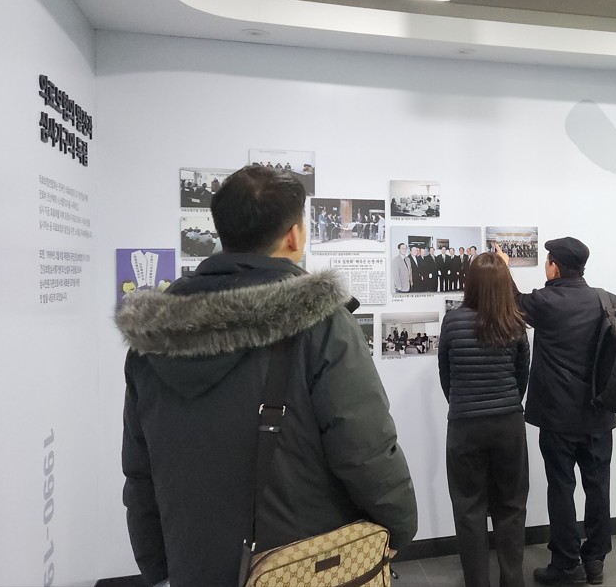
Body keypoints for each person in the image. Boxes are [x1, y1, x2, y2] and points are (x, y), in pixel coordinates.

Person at [116, 165, 417, 587]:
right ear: (294, 235)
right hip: (304, 564)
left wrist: (157, 566)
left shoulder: (153, 339)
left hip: (194, 563)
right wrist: (398, 526)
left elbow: (140, 470)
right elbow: (365, 448)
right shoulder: (323, 325)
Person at [498, 237, 616, 586]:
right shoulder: (606, 300)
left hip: (558, 417)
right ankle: (595, 560)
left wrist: (504, 268)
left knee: (561, 488)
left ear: (554, 267)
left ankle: (566, 563)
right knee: (598, 487)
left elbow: (513, 302)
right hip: (599, 414)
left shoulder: (545, 302)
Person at [438, 252, 531, 587]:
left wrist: (464, 403)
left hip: (464, 425)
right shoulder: (515, 322)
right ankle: (512, 581)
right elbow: (522, 376)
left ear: (470, 283)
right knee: (511, 506)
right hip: (508, 423)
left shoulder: (452, 321)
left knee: (469, 509)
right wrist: (505, 402)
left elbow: (446, 375)